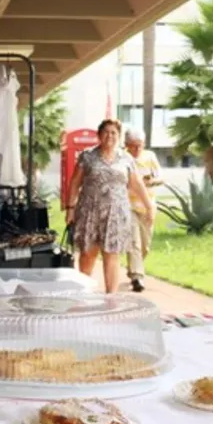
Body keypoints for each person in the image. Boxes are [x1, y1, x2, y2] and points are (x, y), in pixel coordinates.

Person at [65, 119, 154, 294]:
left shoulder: (126, 158)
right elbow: (75, 183)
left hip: (116, 214)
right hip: (90, 212)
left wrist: (149, 206)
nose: (110, 136)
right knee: (88, 254)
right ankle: (83, 294)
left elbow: (136, 183)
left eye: (114, 133)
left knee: (112, 255)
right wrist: (70, 208)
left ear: (119, 137)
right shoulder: (87, 156)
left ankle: (111, 299)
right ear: (99, 135)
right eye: (106, 132)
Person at [124, 126, 163, 292]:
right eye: (133, 145)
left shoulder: (150, 156)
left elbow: (161, 177)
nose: (136, 149)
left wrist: (150, 182)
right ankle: (137, 278)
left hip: (148, 207)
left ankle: (133, 268)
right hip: (129, 206)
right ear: (126, 145)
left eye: (139, 145)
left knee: (145, 246)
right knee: (135, 243)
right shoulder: (123, 158)